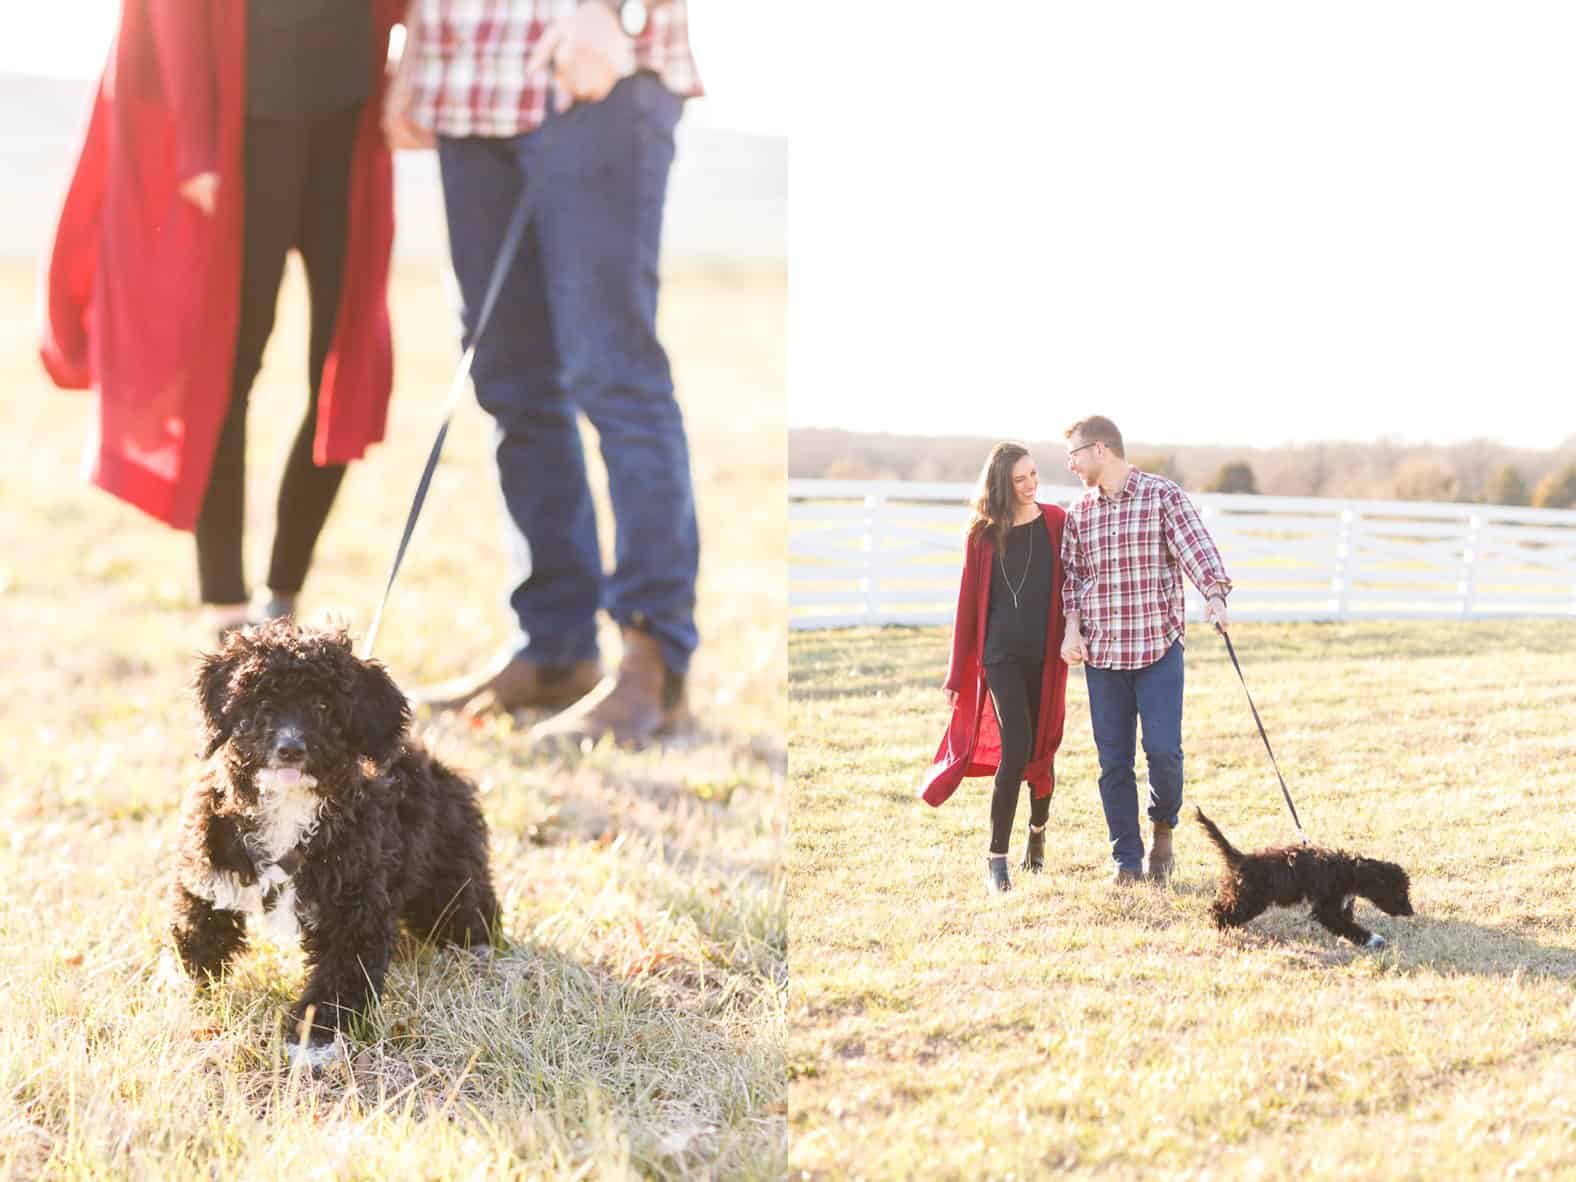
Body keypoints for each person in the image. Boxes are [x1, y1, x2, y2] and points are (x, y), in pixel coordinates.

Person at [382, 0, 703, 748]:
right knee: (511, 383)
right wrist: (414, 51)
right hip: (466, 84)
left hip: (591, 64)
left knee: (614, 373)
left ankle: (656, 665)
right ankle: (555, 648)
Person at [41, 0, 405, 641]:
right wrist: (196, 144)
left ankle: (284, 594)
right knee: (227, 369)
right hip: (245, 130)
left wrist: (417, 62)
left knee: (341, 371)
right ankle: (226, 605)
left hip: (348, 117)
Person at [1058, 416, 1232, 884]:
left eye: (1073, 454)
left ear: (1099, 450)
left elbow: (1197, 549)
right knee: (1113, 762)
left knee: (1163, 753)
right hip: (1104, 656)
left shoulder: (1162, 497)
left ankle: (1162, 827)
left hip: (1157, 649)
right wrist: (1071, 631)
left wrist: (1214, 597)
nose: (1070, 464)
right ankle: (1127, 861)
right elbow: (1073, 579)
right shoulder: (1079, 514)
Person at [920, 443, 1071, 895]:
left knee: (1042, 751)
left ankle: (1037, 834)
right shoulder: (982, 535)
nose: (1030, 485)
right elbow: (967, 604)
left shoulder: (1057, 523)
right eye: (1020, 479)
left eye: (1034, 475)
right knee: (1017, 748)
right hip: (999, 655)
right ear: (1002, 484)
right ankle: (996, 859)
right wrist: (955, 675)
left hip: (1044, 657)